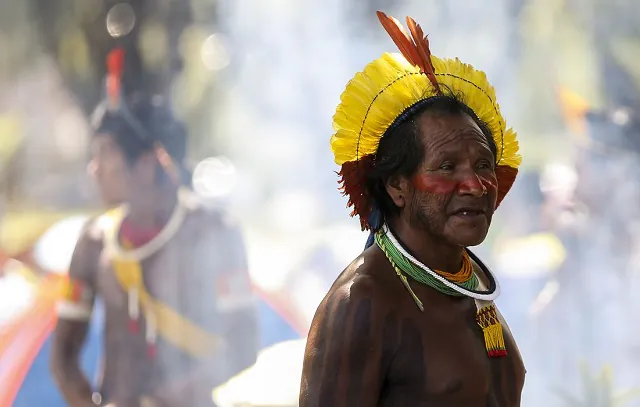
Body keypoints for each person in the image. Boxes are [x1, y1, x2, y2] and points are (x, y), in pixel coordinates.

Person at [299, 11, 526, 407]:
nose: (475, 185)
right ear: (397, 186)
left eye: (484, 164)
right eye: (446, 167)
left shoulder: (468, 287)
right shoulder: (362, 302)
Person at [50, 48, 259, 407]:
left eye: (105, 154)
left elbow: (242, 344)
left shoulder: (213, 232)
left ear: (147, 164)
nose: (94, 169)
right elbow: (63, 357)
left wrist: (167, 399)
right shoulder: (93, 242)